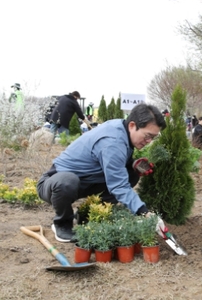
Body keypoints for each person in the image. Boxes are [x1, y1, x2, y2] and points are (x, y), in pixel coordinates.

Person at [37, 103, 168, 243]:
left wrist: (132, 163)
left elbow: (115, 163)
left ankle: (86, 215)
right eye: (147, 135)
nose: (149, 141)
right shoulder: (113, 141)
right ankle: (62, 224)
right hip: (54, 183)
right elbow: (118, 185)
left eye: (153, 137)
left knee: (131, 174)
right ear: (132, 125)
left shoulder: (121, 128)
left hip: (85, 180)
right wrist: (144, 213)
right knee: (67, 182)